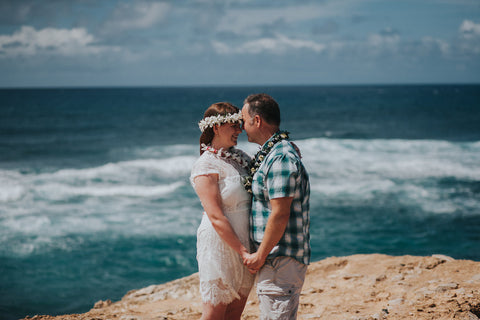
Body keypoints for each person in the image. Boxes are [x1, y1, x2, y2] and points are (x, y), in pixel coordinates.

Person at [241, 93, 311, 320]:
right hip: (276, 260)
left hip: (279, 260)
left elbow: (280, 214)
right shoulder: (273, 153)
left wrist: (260, 255)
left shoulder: (280, 157)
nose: (242, 127)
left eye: (244, 120)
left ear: (257, 120)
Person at [190, 102, 255, 320]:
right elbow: (216, 216)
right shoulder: (206, 165)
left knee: (235, 313)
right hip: (220, 244)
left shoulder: (241, 159)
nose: (239, 130)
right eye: (233, 125)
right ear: (216, 127)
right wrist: (243, 252)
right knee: (215, 314)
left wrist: (286, 148)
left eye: (240, 125)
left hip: (245, 240)